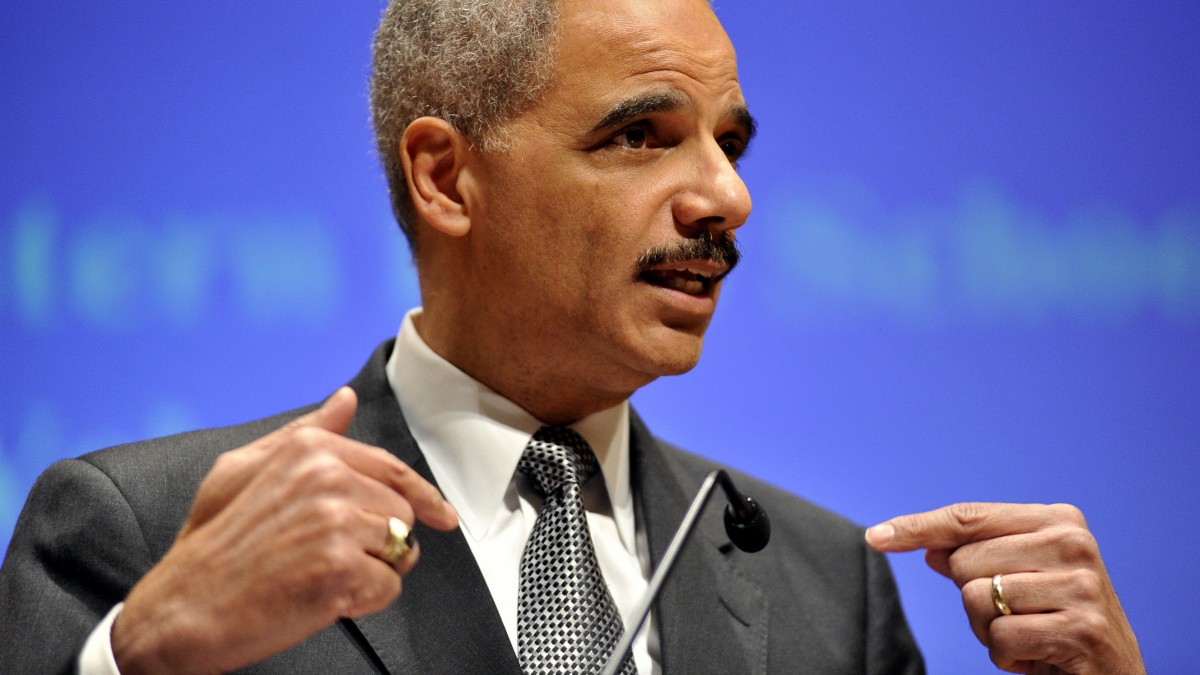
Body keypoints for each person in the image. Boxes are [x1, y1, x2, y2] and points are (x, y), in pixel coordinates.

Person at [0, 0, 1144, 673]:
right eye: (643, 136)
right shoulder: (145, 530)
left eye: (730, 144)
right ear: (447, 178)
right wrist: (134, 661)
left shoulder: (825, 587)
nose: (726, 198)